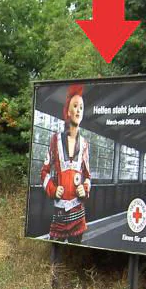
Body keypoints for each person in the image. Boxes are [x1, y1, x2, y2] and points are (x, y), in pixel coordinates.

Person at [40, 84, 92, 243]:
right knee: (56, 255)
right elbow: (44, 172)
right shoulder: (55, 140)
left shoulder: (84, 144)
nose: (78, 110)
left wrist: (85, 188)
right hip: (60, 215)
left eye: (81, 107)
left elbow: (88, 176)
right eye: (75, 106)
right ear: (68, 111)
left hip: (78, 214)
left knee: (75, 254)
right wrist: (53, 190)